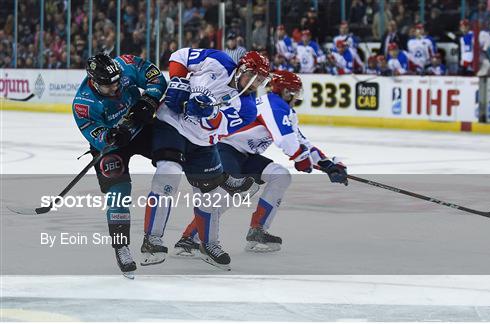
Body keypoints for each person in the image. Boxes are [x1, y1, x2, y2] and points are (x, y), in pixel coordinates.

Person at [174, 70, 348, 256]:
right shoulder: (273, 104)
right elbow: (284, 139)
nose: (296, 98)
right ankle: (188, 238)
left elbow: (301, 143)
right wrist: (300, 158)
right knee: (229, 195)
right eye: (295, 93)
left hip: (246, 155)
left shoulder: (285, 110)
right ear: (286, 92)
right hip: (226, 148)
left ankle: (257, 230)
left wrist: (328, 165)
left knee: (280, 176)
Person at [142, 49, 271, 270]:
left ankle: (208, 245)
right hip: (171, 123)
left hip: (202, 142)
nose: (254, 84)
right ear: (241, 69)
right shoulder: (218, 61)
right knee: (169, 172)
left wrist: (208, 113)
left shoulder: (247, 108)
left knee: (210, 196)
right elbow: (179, 57)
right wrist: (178, 81)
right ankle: (152, 240)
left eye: (260, 81)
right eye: (252, 76)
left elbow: (220, 127)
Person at [72, 53, 167, 278]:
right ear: (94, 81)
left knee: (171, 159)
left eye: (117, 82)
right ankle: (121, 246)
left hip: (141, 129)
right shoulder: (83, 103)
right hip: (113, 146)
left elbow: (158, 80)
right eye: (108, 85)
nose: (115, 88)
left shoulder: (127, 64)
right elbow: (94, 133)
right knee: (119, 192)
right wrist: (111, 136)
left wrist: (148, 101)